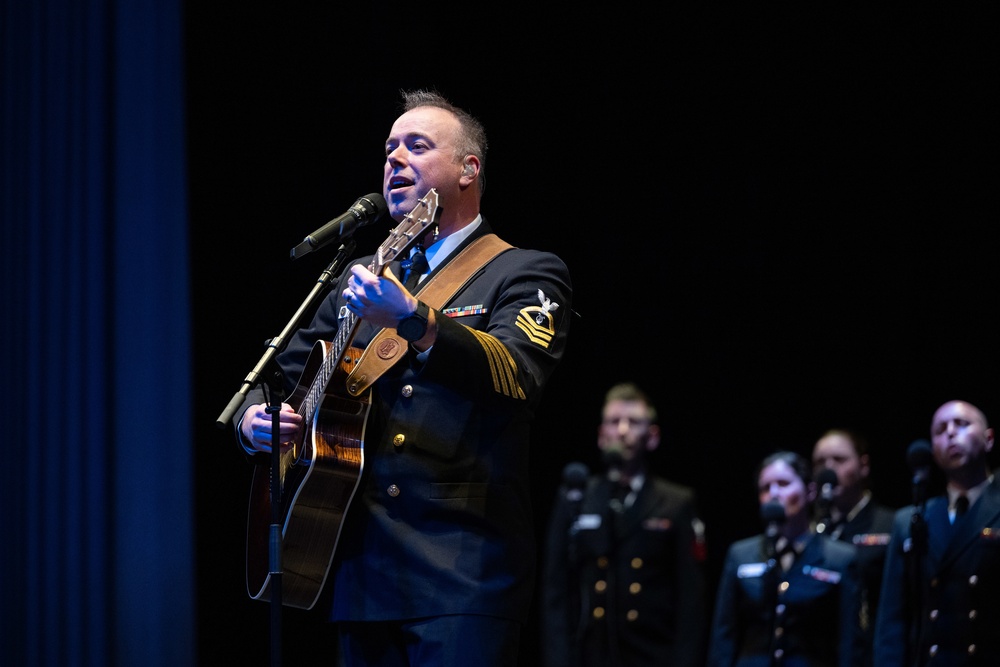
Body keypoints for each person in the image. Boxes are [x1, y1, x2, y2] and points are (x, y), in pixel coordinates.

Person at [233, 88, 573, 666]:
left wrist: (413, 320)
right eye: (389, 148)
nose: (394, 160)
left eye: (417, 146)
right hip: (361, 568)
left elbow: (516, 373)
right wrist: (254, 422)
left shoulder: (524, 270)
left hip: (463, 572)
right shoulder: (362, 276)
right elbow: (283, 376)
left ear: (469, 169)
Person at [540, 382, 708, 667]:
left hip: (653, 656)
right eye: (614, 421)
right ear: (600, 435)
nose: (622, 430)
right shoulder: (577, 498)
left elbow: (691, 600)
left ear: (652, 436)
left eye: (633, 422)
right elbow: (555, 590)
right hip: (589, 655)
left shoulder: (675, 502)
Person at [707, 450, 864, 667]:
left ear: (810, 492)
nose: (773, 493)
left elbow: (849, 643)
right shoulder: (741, 554)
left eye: (783, 483)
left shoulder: (838, 558)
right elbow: (723, 637)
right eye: (765, 488)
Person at [874, 399, 1000, 666]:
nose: (951, 433)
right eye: (941, 430)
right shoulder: (910, 519)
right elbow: (893, 619)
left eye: (962, 424)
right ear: (933, 450)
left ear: (989, 439)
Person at [811, 428, 896, 666]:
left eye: (839, 459)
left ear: (863, 465)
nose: (828, 469)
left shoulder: (890, 525)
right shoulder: (810, 532)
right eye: (820, 462)